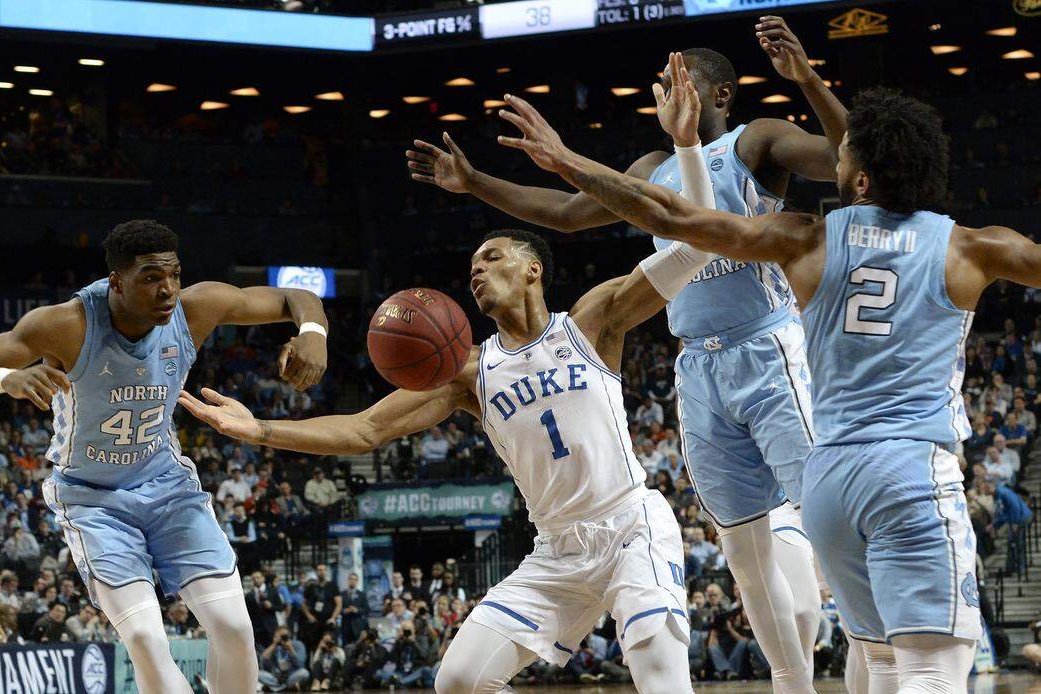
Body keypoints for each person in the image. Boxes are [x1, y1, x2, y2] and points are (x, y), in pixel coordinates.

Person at [500, 73, 1041, 693]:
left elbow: (671, 213)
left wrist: (567, 160)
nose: (833, 155)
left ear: (860, 179)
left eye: (843, 154)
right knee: (934, 670)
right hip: (910, 470)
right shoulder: (975, 247)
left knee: (882, 660)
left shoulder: (803, 238)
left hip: (833, 478)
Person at [408, 31, 836, 690]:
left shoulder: (757, 141)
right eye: (660, 85)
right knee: (745, 558)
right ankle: (792, 683)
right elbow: (566, 212)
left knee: (828, 517)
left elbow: (844, 157)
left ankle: (882, 649)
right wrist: (474, 184)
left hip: (769, 342)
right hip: (697, 363)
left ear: (720, 92)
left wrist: (807, 78)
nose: (666, 94)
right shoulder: (647, 171)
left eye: (680, 80)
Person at [180, 224, 715, 691]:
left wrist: (724, 192)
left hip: (629, 526)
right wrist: (260, 430)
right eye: (471, 266)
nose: (477, 271)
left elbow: (688, 252)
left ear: (533, 269)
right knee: (459, 680)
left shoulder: (590, 323)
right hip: (556, 551)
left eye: (492, 258)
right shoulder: (469, 374)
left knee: (660, 674)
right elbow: (365, 429)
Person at [0, 219, 328, 694]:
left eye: (174, 275)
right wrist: (5, 379)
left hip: (167, 486)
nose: (167, 290)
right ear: (117, 281)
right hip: (91, 499)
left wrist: (312, 332)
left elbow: (292, 297)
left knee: (235, 628)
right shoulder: (65, 323)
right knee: (143, 635)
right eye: (151, 278)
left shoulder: (194, 308)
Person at [260, 626, 309, 693]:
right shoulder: (274, 647)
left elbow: (300, 665)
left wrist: (291, 650)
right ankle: (287, 687)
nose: (282, 638)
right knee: (258, 674)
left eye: (284, 636)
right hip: (276, 677)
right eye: (280, 636)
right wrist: (274, 644)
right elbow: (263, 661)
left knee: (304, 673)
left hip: (291, 676)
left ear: (289, 636)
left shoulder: (298, 645)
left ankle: (274, 687)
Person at [340, 572, 369, 644]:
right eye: (351, 579)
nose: (352, 581)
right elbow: (338, 609)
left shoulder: (362, 594)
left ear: (357, 581)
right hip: (345, 626)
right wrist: (344, 611)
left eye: (355, 579)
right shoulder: (342, 594)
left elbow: (367, 609)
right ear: (348, 580)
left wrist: (357, 610)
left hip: (358, 626)